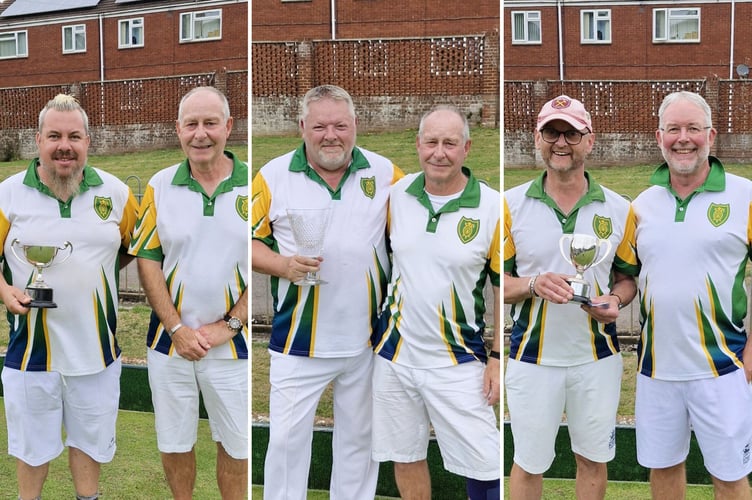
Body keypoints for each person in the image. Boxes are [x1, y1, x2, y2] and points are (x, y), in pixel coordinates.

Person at [251, 84, 404, 500]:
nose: (330, 135)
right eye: (319, 126)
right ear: (302, 127)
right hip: (297, 342)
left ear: (356, 125)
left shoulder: (387, 173)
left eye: (340, 125)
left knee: (359, 446)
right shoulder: (272, 176)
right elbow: (244, 241)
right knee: (285, 444)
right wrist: (282, 265)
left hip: (366, 341)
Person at [0, 94, 138, 500]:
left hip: (96, 353)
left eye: (74, 136)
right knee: (31, 451)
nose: (65, 145)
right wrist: (6, 291)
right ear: (37, 140)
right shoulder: (6, 194)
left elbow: (134, 248)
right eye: (55, 135)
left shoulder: (116, 193)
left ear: (88, 141)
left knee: (89, 447)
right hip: (30, 354)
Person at [503, 95, 636, 499]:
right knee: (528, 462)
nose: (561, 143)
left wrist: (614, 299)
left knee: (593, 460)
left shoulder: (620, 209)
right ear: (537, 138)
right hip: (532, 358)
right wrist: (533, 284)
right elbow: (498, 286)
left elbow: (627, 279)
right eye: (552, 132)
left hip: (596, 358)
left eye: (572, 134)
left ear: (589, 141)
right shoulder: (508, 206)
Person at [622, 90, 752, 499]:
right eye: (673, 129)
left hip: (723, 368)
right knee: (663, 472)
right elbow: (627, 278)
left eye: (693, 128)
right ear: (658, 137)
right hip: (656, 370)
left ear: (711, 135)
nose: (683, 138)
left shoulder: (744, 196)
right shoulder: (642, 205)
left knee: (730, 478)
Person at [371, 105, 500, 499]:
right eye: (431, 142)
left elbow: (502, 287)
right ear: (418, 145)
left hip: (459, 360)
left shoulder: (493, 207)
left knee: (485, 462)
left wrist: (497, 357)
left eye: (449, 143)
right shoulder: (396, 196)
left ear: (467, 148)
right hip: (394, 358)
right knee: (405, 456)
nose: (439, 152)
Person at [128, 86, 248, 500]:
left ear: (228, 127)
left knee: (236, 445)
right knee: (175, 442)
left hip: (232, 346)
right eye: (192, 124)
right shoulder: (161, 185)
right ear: (178, 130)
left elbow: (265, 264)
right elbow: (148, 260)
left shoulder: (257, 185)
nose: (201, 134)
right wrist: (176, 327)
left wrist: (230, 325)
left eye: (210, 123)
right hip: (170, 343)